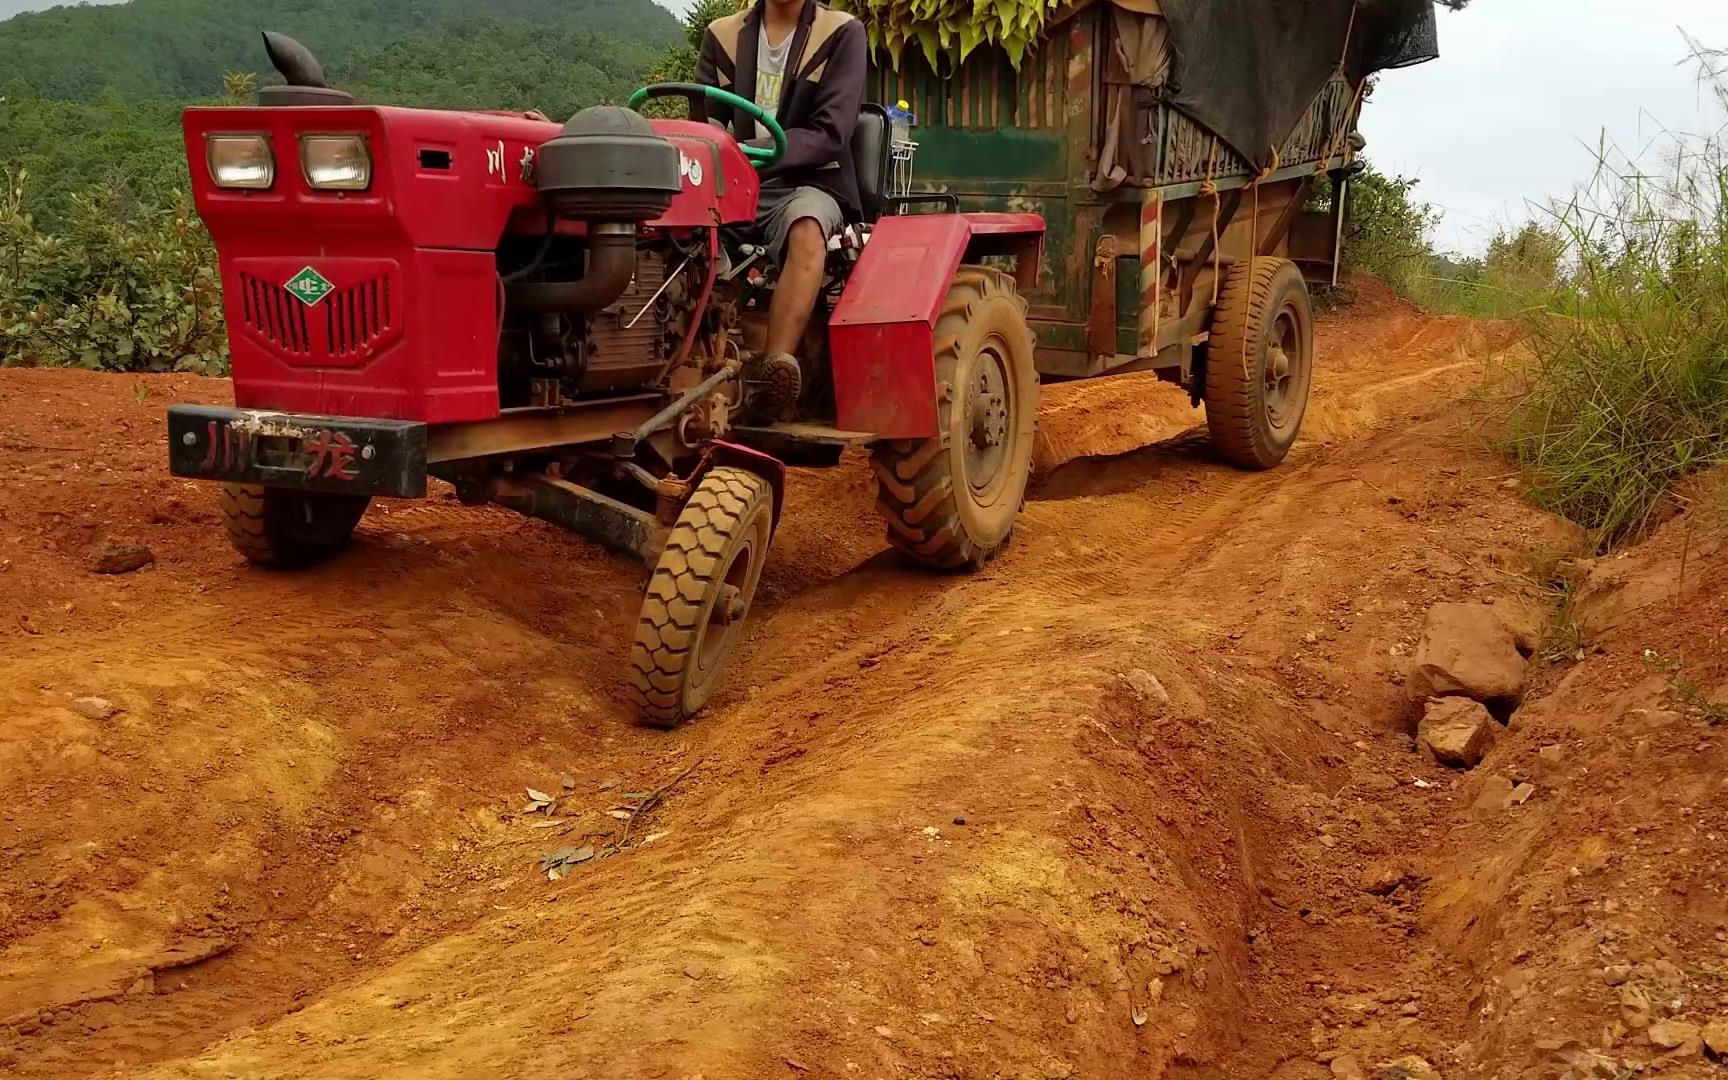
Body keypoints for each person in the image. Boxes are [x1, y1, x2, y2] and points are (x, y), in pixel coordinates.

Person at [696, 0, 868, 412]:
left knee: (806, 224)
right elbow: (706, 122)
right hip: (736, 185)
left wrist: (745, 150)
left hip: (809, 181)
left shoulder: (841, 32)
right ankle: (687, 361)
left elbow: (830, 132)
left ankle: (772, 378)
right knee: (677, 226)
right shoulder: (722, 35)